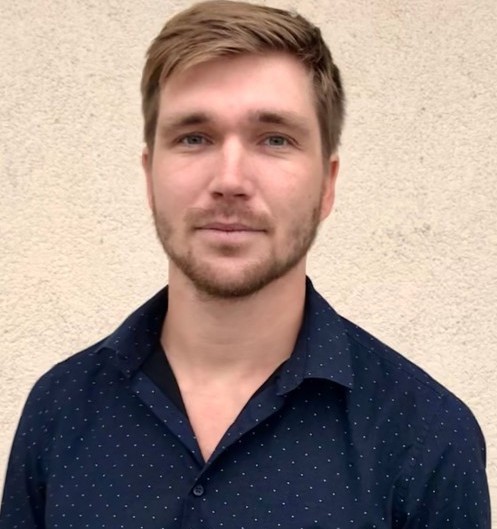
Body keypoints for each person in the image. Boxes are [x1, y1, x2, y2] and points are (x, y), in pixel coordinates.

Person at [0, 1, 490, 527]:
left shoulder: (426, 435)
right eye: (194, 138)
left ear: (327, 185)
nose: (230, 180)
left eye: (275, 139)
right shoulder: (58, 411)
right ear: (149, 177)